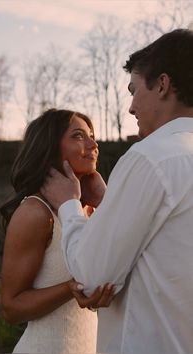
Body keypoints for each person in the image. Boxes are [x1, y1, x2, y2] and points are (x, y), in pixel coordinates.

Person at [41, 29, 193, 353]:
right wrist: (112, 203)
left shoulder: (150, 158)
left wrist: (69, 205)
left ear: (162, 85)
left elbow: (91, 275)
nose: (131, 107)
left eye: (134, 90)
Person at [0, 108, 115, 354]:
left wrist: (106, 202)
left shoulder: (89, 211)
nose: (93, 144)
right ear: (50, 148)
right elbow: (11, 308)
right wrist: (70, 288)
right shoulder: (35, 213)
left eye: (91, 135)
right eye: (78, 136)